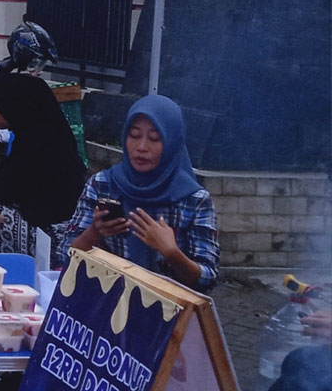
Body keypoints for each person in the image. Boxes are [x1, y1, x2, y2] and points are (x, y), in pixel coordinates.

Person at [63, 95, 219, 292]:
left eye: (154, 138)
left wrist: (172, 253)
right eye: (134, 135)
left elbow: (208, 278)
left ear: (173, 142)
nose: (142, 147)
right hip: (106, 307)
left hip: (169, 316)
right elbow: (66, 255)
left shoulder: (194, 200)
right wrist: (94, 233)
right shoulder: (103, 185)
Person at [0, 73, 87, 257]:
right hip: (34, 217)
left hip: (50, 235)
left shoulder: (43, 145)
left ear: (18, 107)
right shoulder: (31, 135)